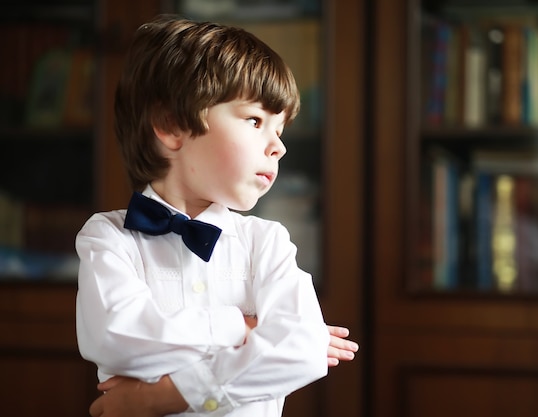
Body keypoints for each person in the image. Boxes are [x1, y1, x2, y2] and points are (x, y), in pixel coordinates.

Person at [75, 15, 358, 417]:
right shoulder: (108, 238)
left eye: (280, 130)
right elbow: (117, 337)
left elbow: (302, 351)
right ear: (171, 125)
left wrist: (156, 396)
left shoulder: (267, 242)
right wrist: (244, 330)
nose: (278, 147)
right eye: (256, 120)